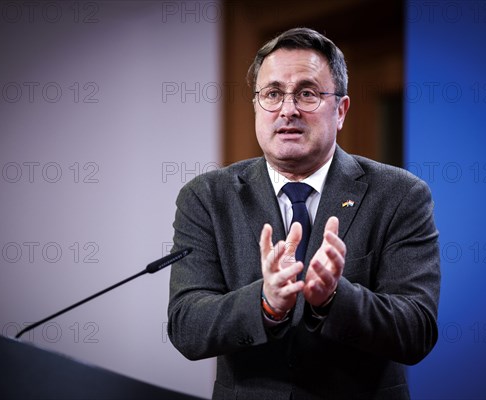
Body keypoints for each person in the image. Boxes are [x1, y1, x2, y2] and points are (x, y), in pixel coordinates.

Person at [168, 27, 440, 400]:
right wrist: (265, 302)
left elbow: (417, 330)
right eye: (273, 94)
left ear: (341, 110)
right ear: (256, 106)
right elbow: (187, 325)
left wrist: (334, 298)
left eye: (307, 93)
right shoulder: (206, 198)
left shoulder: (400, 195)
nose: (288, 109)